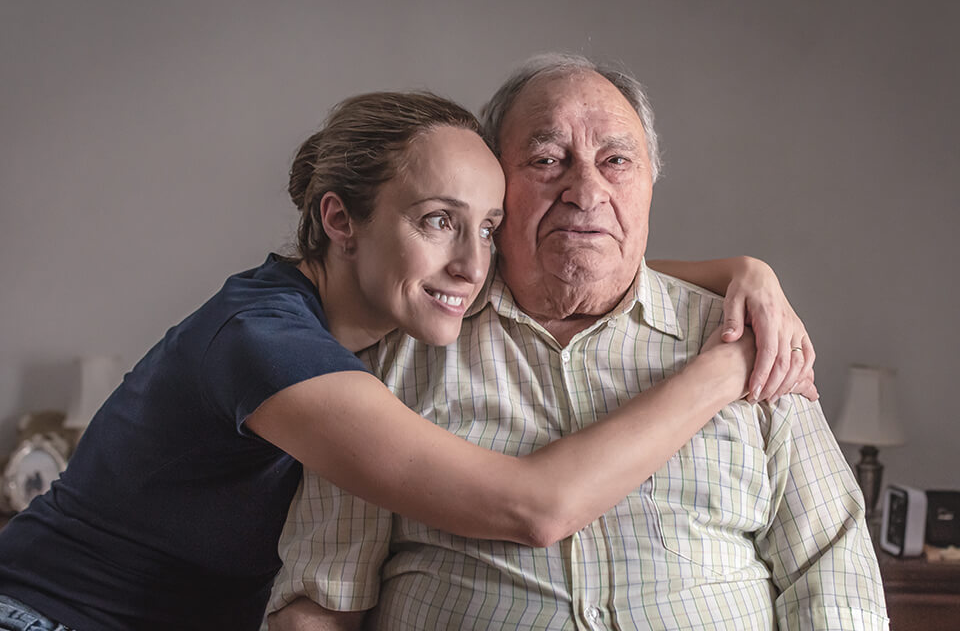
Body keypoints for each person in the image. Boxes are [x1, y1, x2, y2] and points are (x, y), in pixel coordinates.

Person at [0, 91, 810, 631]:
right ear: (339, 218)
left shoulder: (371, 320)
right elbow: (535, 507)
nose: (471, 265)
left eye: (489, 227)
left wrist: (744, 274)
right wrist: (728, 365)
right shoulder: (265, 343)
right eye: (436, 222)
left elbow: (587, 268)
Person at [268, 54, 887, 630]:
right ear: (495, 188)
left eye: (616, 161)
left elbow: (834, 578)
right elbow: (322, 599)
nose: (586, 191)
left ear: (649, 184)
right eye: (546, 160)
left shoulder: (756, 334)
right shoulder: (391, 357)